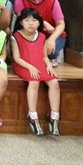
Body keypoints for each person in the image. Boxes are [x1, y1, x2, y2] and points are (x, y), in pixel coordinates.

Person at [11, 8, 60, 136]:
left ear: (39, 23)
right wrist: (30, 67)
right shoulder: (16, 36)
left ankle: (54, 116)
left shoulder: (42, 36)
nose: (31, 23)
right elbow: (17, 58)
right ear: (21, 22)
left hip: (39, 64)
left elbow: (44, 56)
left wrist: (49, 65)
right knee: (34, 81)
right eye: (27, 20)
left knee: (54, 82)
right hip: (23, 64)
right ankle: (32, 115)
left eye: (34, 20)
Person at [14, 0, 66, 67]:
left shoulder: (52, 0)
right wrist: (44, 23)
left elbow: (61, 24)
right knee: (24, 52)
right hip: (29, 33)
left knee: (49, 52)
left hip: (50, 34)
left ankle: (56, 54)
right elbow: (21, 19)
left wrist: (51, 39)